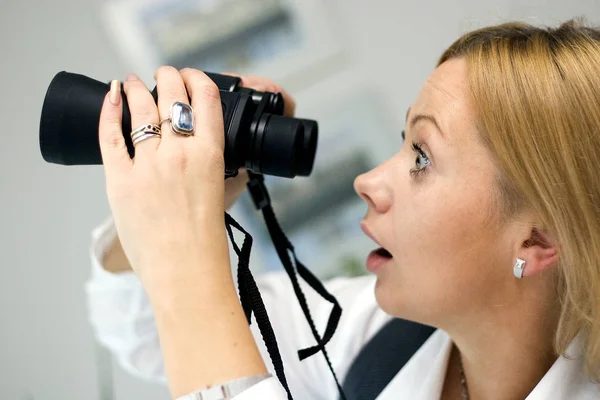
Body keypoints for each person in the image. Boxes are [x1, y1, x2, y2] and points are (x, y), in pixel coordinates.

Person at [86, 19, 600, 399]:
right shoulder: (373, 338)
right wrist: (216, 186)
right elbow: (146, 331)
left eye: (421, 156)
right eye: (403, 141)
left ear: (538, 240)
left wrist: (184, 246)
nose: (367, 181)